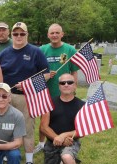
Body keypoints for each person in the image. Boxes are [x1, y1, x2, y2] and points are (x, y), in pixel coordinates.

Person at [0, 22, 50, 164]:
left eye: (22, 33)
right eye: (15, 34)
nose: (19, 36)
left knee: (27, 130)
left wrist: (30, 84)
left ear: (27, 35)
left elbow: (46, 74)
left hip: (27, 98)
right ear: (11, 35)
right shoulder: (4, 53)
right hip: (6, 97)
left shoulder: (36, 52)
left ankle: (29, 162)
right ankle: (7, 154)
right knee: (6, 127)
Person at [34, 23, 79, 154]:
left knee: (64, 118)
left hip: (63, 91)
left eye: (57, 33)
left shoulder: (70, 50)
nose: (54, 35)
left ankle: (66, 142)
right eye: (52, 33)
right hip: (46, 91)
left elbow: (74, 71)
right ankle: (42, 143)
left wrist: (73, 86)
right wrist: (46, 75)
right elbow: (36, 71)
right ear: (48, 35)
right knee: (44, 120)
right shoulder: (42, 50)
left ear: (62, 34)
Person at [40, 73, 85, 164]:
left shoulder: (82, 106)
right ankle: (63, 162)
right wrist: (57, 138)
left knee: (67, 156)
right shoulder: (49, 102)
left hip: (71, 141)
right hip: (52, 141)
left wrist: (64, 135)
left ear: (75, 85)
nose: (66, 85)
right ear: (59, 86)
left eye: (70, 82)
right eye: (62, 83)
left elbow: (82, 131)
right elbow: (43, 127)